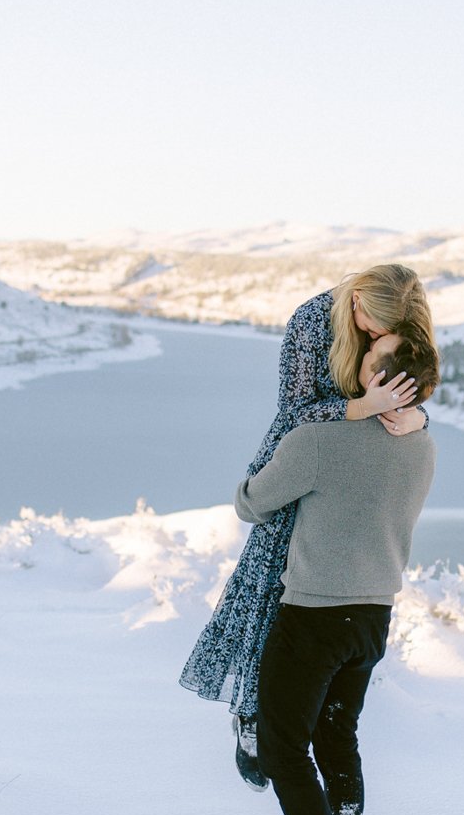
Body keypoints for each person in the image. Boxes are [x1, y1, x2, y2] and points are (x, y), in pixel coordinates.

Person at [179, 264, 435, 787]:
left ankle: (312, 724)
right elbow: (293, 413)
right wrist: (361, 405)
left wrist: (418, 417)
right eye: (368, 324)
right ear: (356, 297)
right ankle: (253, 715)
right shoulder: (313, 320)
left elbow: (416, 386)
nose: (370, 336)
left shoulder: (402, 321)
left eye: (382, 333)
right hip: (307, 453)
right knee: (271, 587)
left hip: (358, 468)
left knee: (326, 602)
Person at [234, 333, 441, 815]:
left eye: (368, 357)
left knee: (281, 749)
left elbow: (251, 502)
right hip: (373, 618)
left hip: (313, 616)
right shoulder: (422, 444)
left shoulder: (320, 441)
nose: (353, 357)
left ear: (382, 381)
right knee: (335, 731)